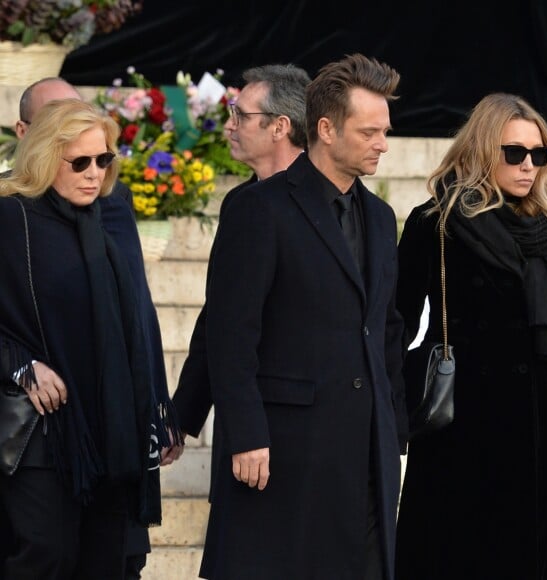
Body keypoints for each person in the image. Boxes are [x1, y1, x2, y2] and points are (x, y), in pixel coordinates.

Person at [198, 53, 408, 579]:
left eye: (385, 131)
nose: (383, 143)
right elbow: (230, 333)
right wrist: (246, 432)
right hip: (284, 450)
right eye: (370, 132)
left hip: (364, 453)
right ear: (326, 129)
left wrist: (394, 427)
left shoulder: (381, 219)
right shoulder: (259, 209)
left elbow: (385, 329)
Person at [395, 92, 547, 579]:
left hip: (535, 429)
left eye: (539, 155)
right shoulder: (435, 223)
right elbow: (395, 321)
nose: (529, 166)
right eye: (514, 153)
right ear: (481, 150)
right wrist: (393, 409)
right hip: (461, 425)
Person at [0, 99, 179, 579]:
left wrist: (158, 408)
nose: (94, 173)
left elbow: (138, 315)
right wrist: (21, 364)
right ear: (43, 157)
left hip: (114, 429)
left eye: (104, 160)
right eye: (79, 162)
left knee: (111, 563)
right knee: (45, 558)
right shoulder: (11, 219)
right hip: (45, 431)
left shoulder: (114, 216)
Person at [172, 63, 311, 443]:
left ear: (280, 127)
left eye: (240, 115)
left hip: (314, 422)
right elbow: (221, 316)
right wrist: (184, 414)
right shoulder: (240, 202)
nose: (229, 125)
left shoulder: (331, 202)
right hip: (252, 417)